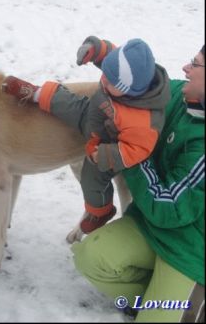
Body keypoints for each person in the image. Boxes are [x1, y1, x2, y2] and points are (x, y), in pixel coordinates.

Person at [70, 45, 205, 322]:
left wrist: (128, 154)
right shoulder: (181, 96)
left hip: (193, 251)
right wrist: (102, 55)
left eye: (195, 63)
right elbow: (138, 82)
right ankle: (153, 301)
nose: (185, 67)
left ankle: (186, 303)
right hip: (152, 228)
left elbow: (168, 206)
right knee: (90, 258)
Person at [2, 36, 171, 234]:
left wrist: (107, 154)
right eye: (105, 74)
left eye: (111, 81)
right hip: (93, 113)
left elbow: (138, 149)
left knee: (92, 179)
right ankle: (36, 93)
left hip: (107, 142)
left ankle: (100, 211)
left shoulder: (142, 122)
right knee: (66, 101)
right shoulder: (122, 73)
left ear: (129, 92)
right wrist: (96, 49)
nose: (104, 79)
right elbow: (111, 56)